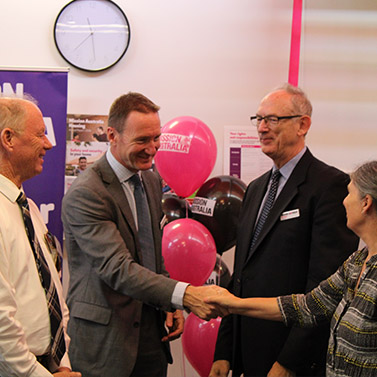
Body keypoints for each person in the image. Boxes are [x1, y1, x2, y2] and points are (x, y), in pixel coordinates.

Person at [61, 92, 220, 377]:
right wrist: (185, 295)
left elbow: (152, 252)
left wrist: (170, 303)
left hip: (151, 335)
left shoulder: (149, 178)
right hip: (105, 342)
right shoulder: (87, 192)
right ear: (112, 135)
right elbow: (118, 269)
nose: (152, 149)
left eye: (156, 138)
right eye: (142, 140)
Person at [210, 84, 360, 377]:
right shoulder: (255, 189)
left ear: (303, 125)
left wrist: (291, 362)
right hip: (246, 355)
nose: (262, 128)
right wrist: (225, 351)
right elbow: (241, 274)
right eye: (259, 119)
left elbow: (324, 288)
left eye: (273, 120)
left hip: (289, 359)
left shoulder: (329, 186)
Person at [207, 160, 377, 377]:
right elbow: (306, 306)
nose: (343, 202)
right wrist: (233, 304)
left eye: (349, 194)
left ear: (366, 203)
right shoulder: (356, 263)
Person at [0, 96, 81, 377]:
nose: (49, 144)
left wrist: (62, 363)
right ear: (8, 138)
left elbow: (54, 293)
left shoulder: (28, 208)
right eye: (40, 134)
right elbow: (1, 322)